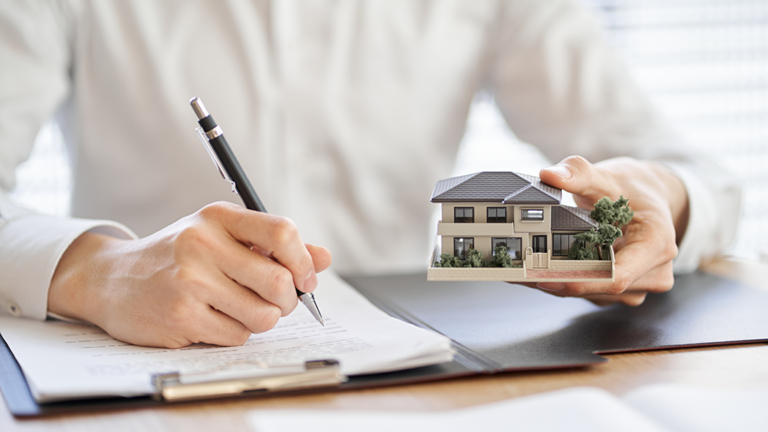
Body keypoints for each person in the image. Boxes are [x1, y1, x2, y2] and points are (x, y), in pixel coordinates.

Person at [0, 0, 740, 348]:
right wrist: (98, 271)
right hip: (142, 381)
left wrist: (658, 198)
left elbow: (698, 177)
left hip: (410, 384)